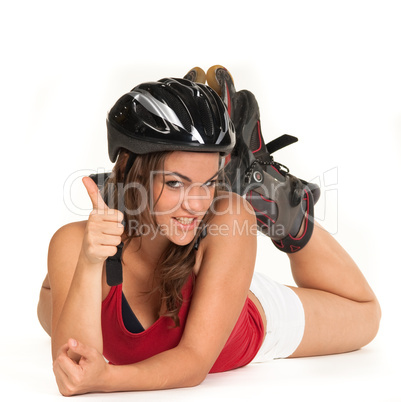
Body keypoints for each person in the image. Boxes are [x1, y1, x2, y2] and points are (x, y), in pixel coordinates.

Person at [37, 66, 381, 396]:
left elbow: (193, 363)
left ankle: (285, 212)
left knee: (366, 316)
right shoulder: (75, 243)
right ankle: (142, 209)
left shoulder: (228, 219)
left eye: (210, 183)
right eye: (176, 183)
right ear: (131, 170)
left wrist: (108, 378)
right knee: (51, 303)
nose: (197, 204)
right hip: (152, 252)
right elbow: (75, 364)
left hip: (231, 295)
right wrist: (91, 259)